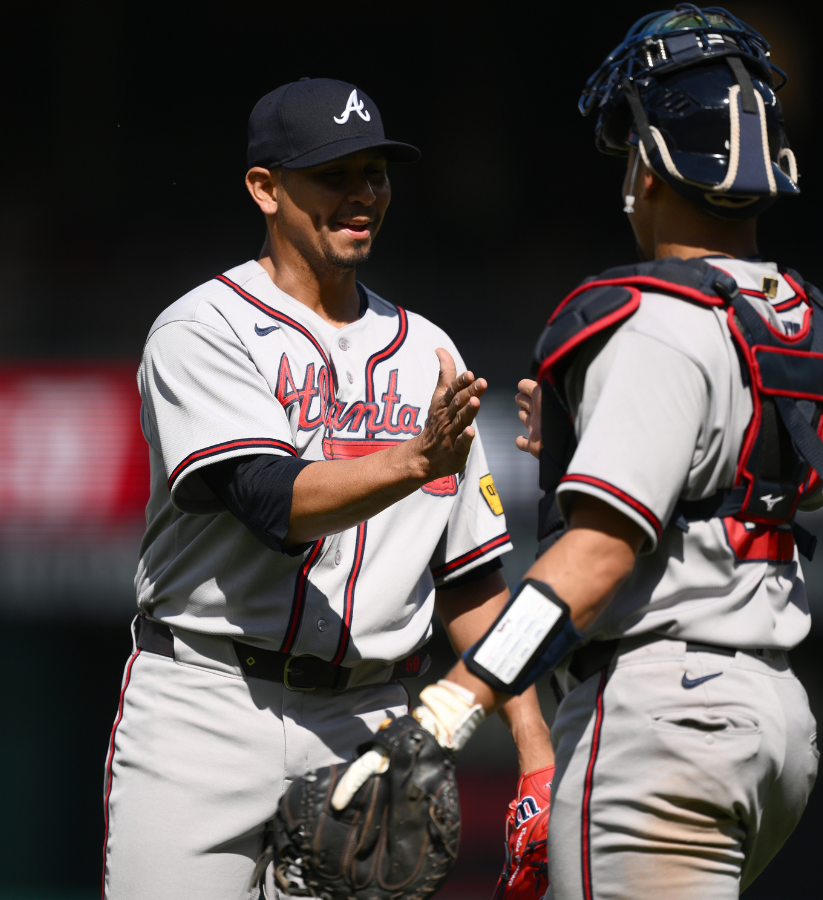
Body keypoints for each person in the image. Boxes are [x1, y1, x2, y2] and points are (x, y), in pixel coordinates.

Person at [332, 7, 823, 898]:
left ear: (649, 169)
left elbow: (600, 554)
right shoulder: (800, 317)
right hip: (773, 724)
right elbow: (726, 482)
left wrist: (454, 704)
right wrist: (586, 443)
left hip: (663, 720)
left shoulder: (655, 322)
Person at [100, 77, 552, 900]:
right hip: (206, 701)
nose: (362, 195)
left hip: (369, 719)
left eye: (376, 172)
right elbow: (273, 498)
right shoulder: (204, 328)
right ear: (265, 189)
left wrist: (534, 747)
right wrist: (413, 462)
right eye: (335, 173)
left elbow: (474, 580)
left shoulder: (429, 354)